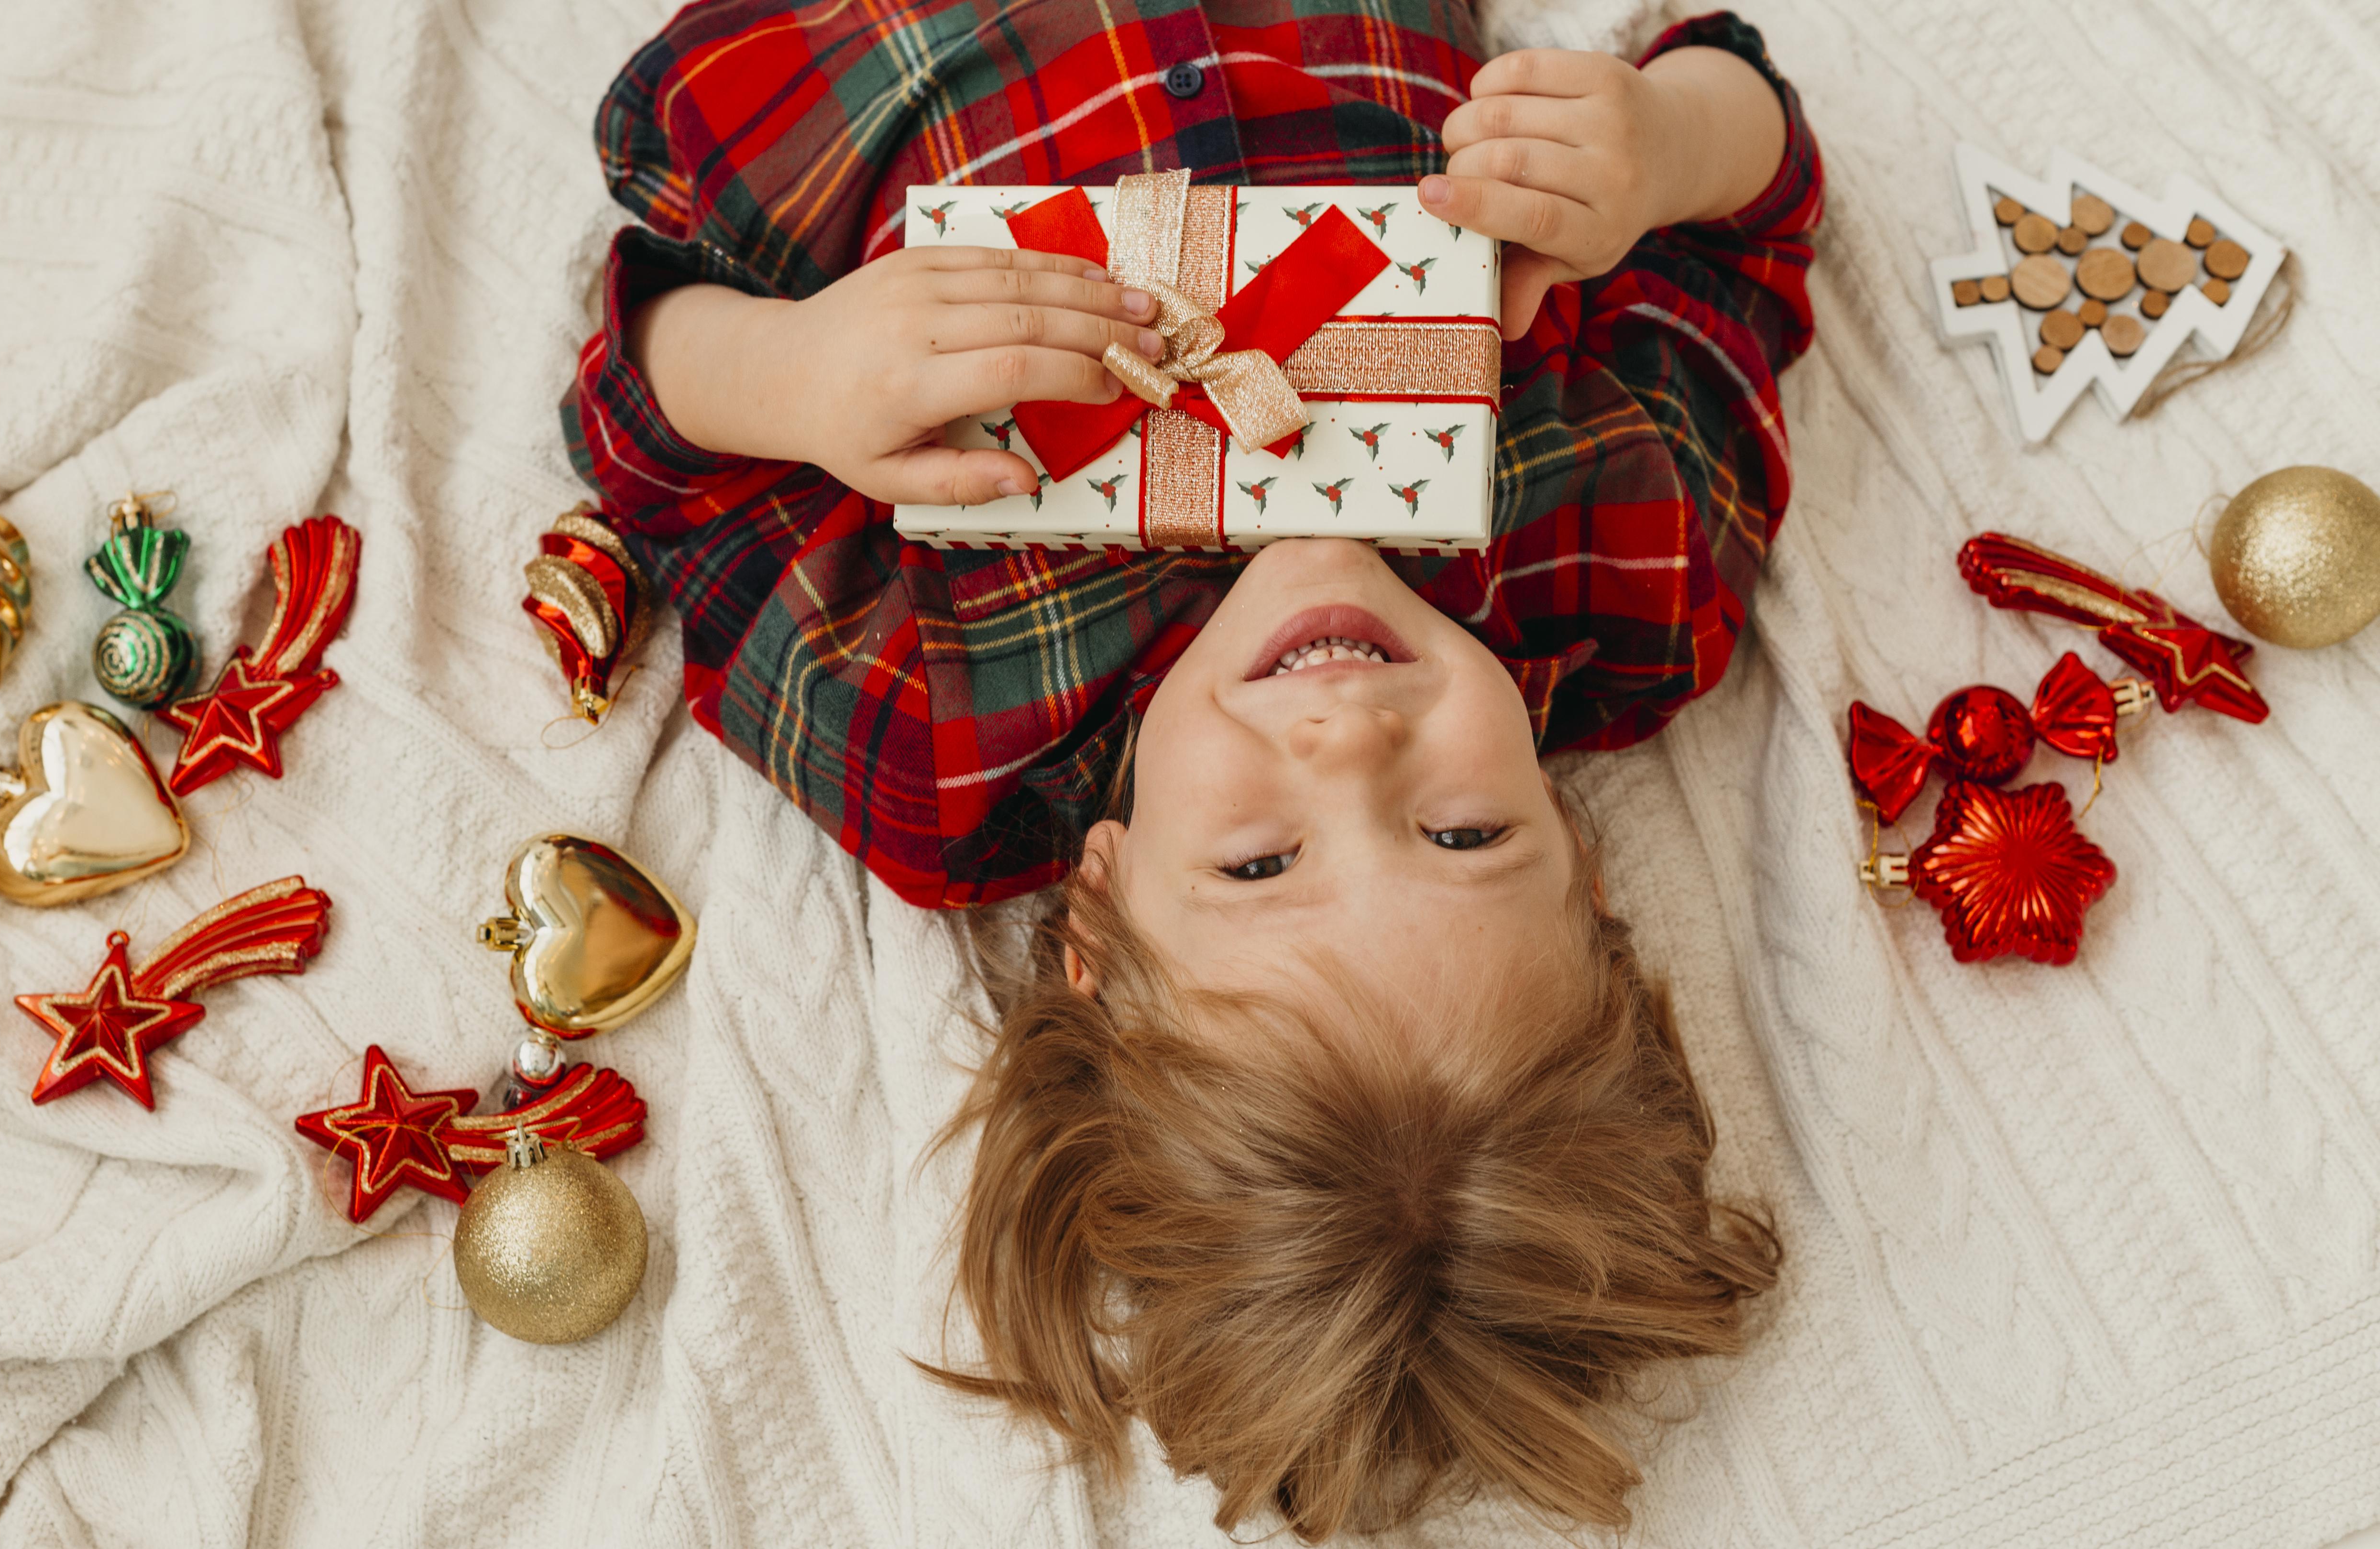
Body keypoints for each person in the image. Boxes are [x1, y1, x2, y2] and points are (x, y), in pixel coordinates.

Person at [564, 5, 1819, 1539]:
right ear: (1583, 850)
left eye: (1261, 866)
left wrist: (794, 369)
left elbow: (640, 434)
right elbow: (1753, 225)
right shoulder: (1623, 563)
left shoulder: (939, 741)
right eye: (1466, 829)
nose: (1349, 746)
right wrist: (1663, 142)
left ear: (1097, 927)